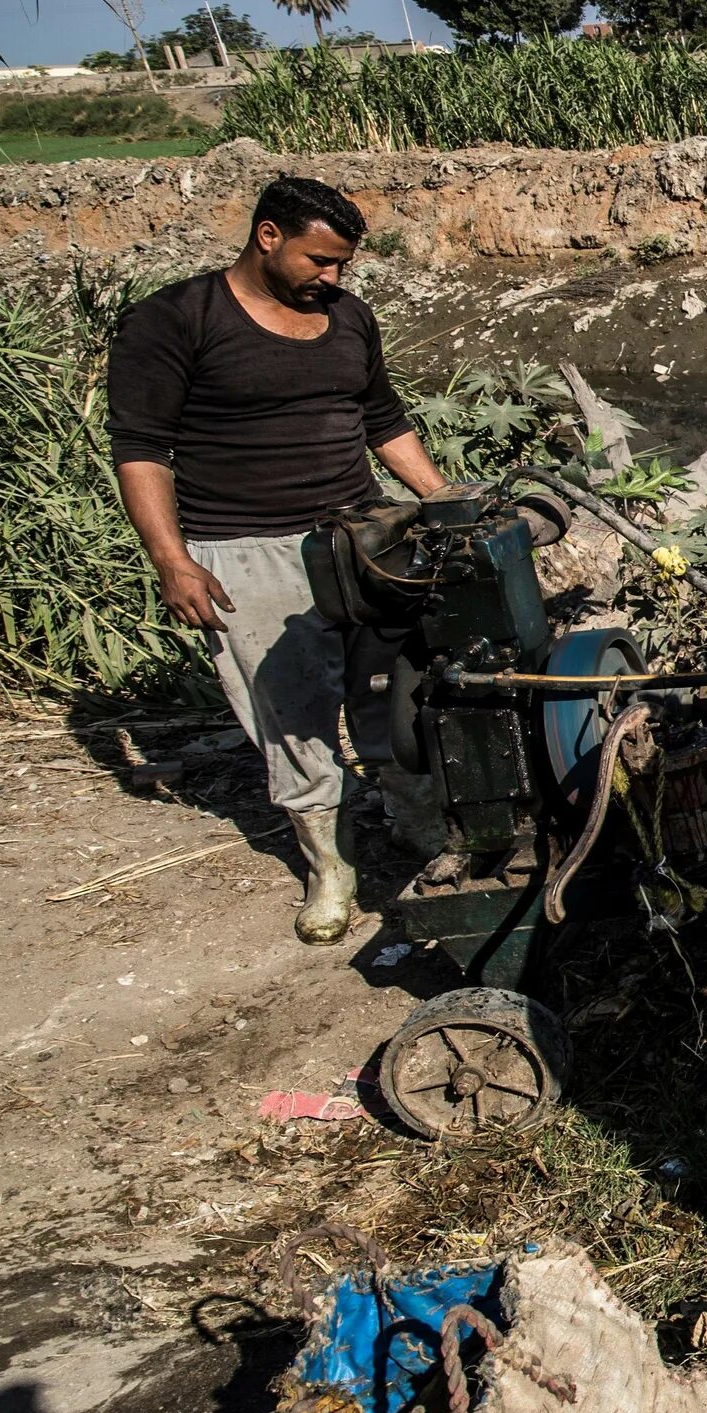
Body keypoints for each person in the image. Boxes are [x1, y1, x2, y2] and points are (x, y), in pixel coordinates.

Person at [108, 175, 451, 946]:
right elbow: (141, 449)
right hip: (247, 549)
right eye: (320, 261)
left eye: (342, 267)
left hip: (362, 539)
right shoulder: (175, 321)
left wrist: (441, 498)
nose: (331, 279)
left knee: (390, 693)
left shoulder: (347, 317)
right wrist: (172, 559)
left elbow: (381, 418)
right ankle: (329, 866)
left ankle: (415, 822)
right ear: (268, 236)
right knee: (293, 717)